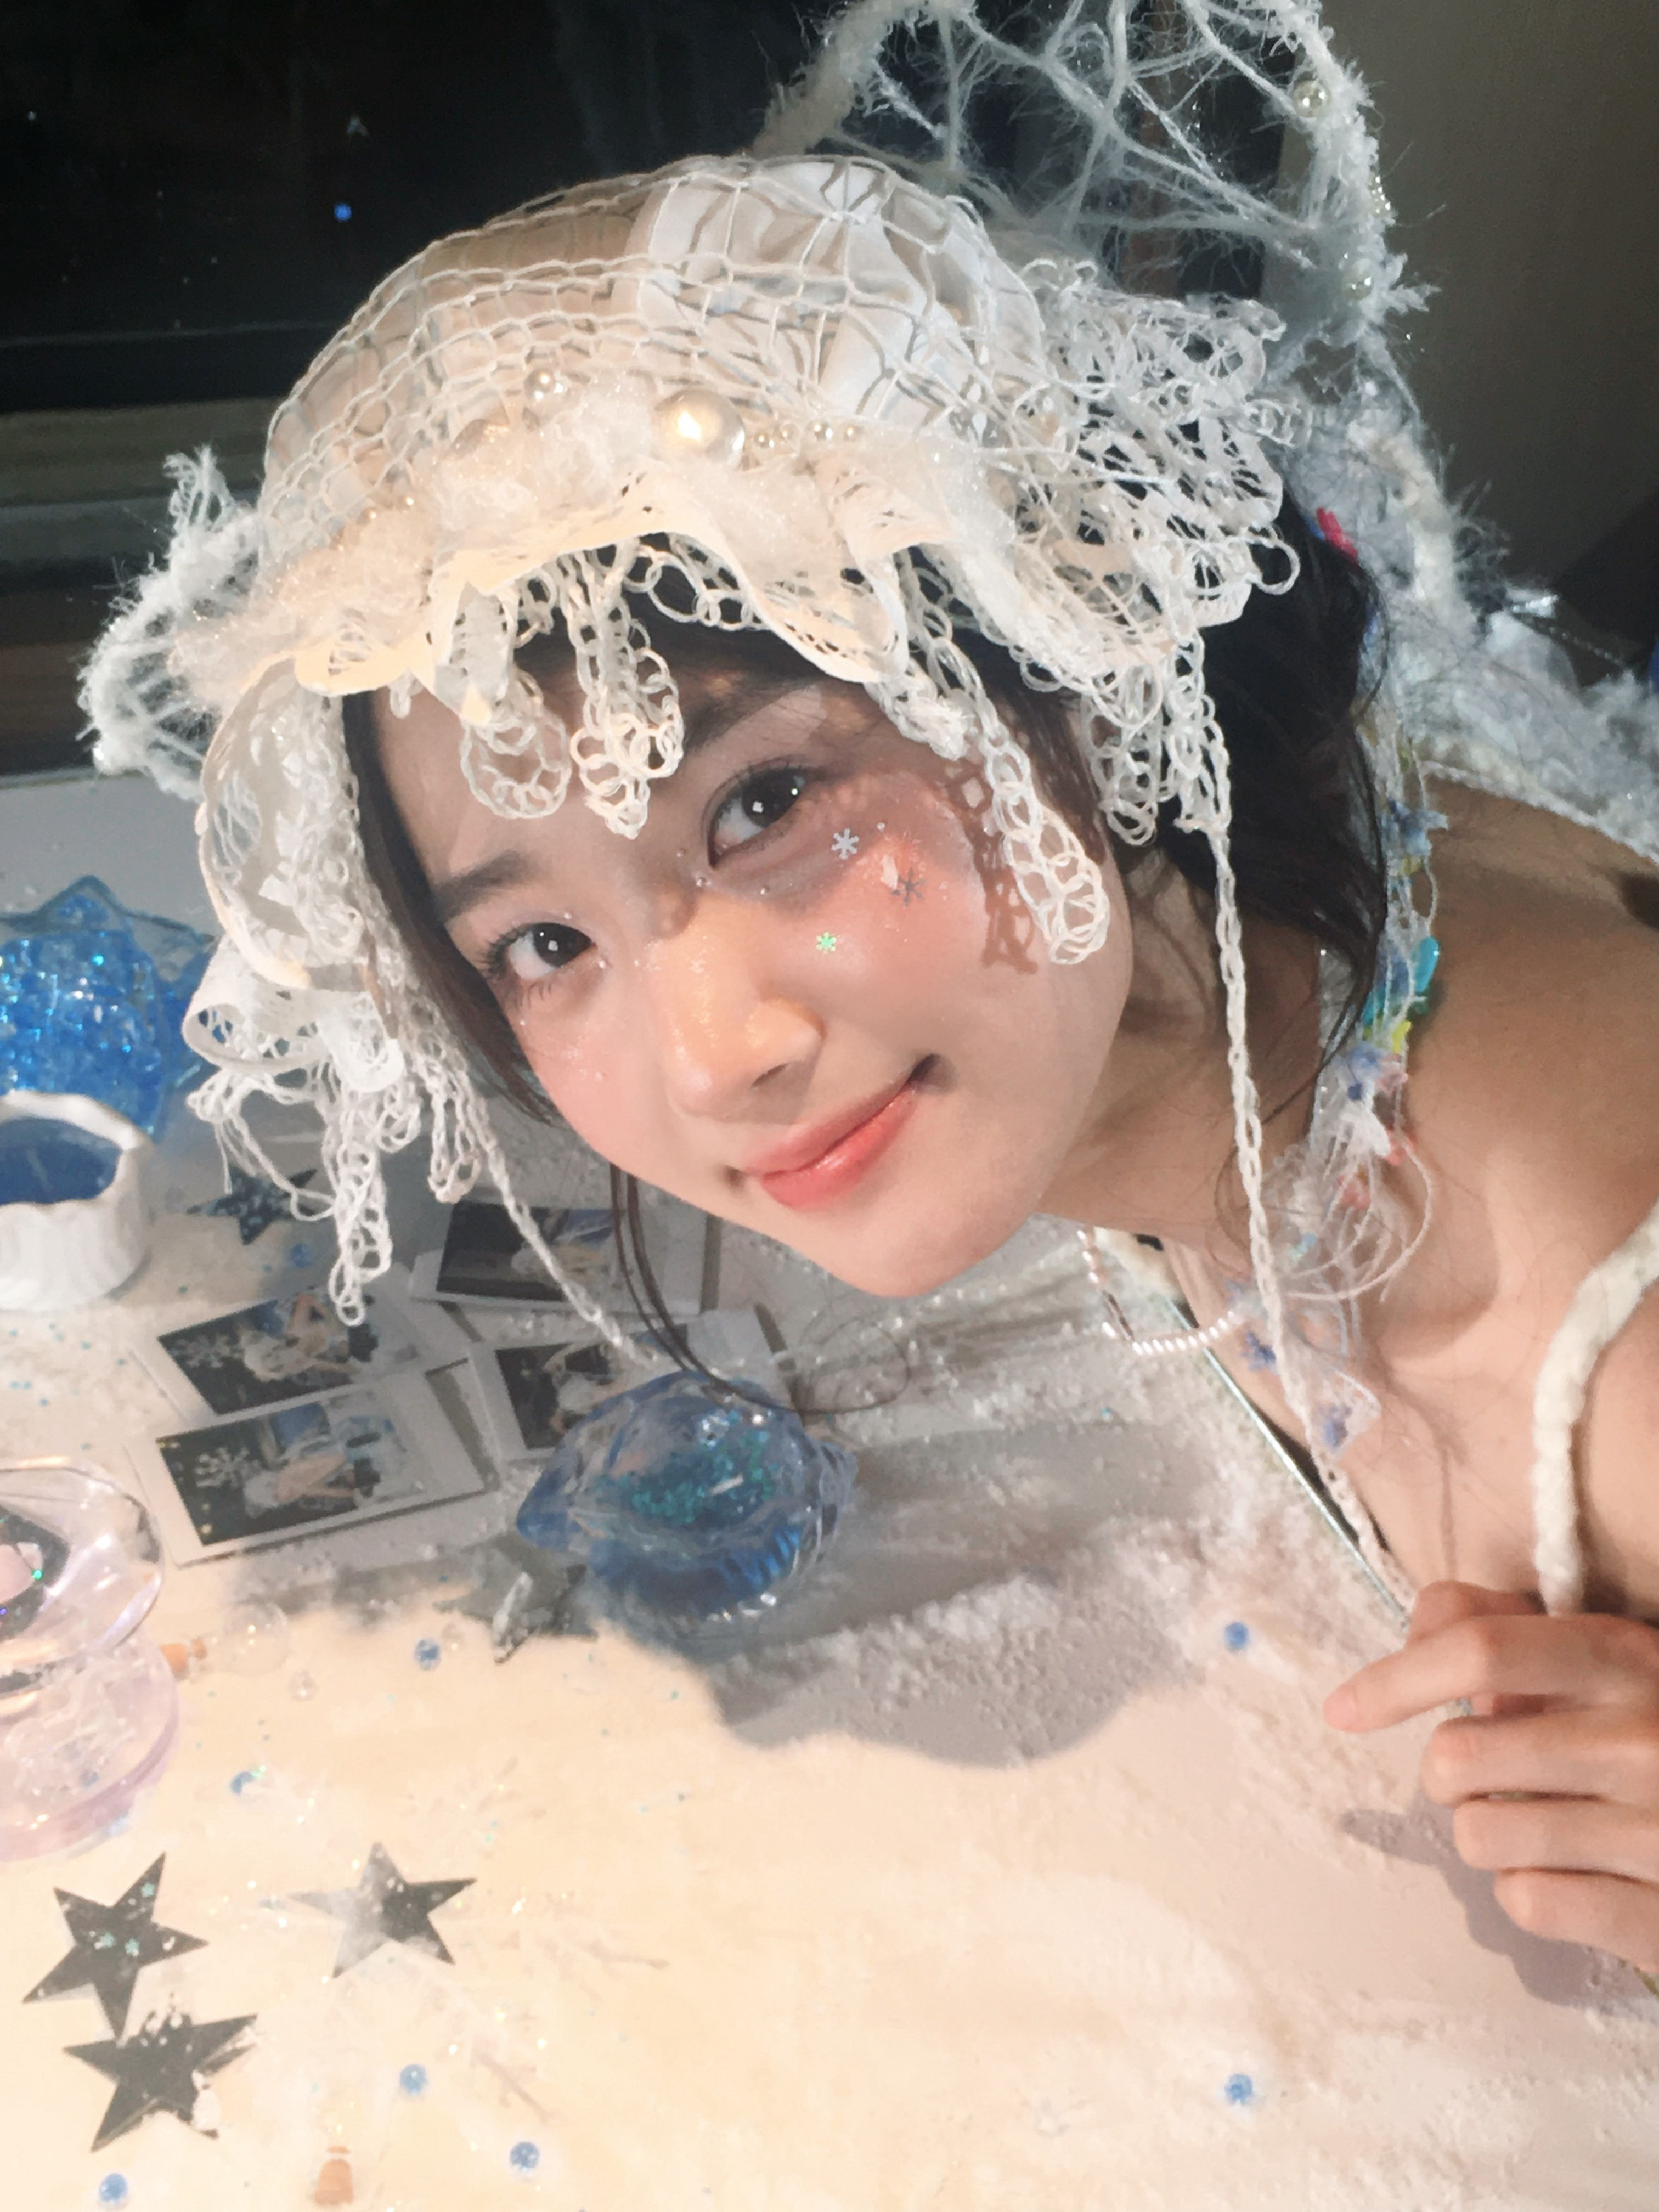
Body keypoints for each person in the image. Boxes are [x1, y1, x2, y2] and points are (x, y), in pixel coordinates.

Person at [81, 0, 1659, 1976]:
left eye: (765, 804)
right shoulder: (1286, 915)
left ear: (1080, 661)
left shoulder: (1618, 1354)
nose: (712, 1056)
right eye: (545, 944)